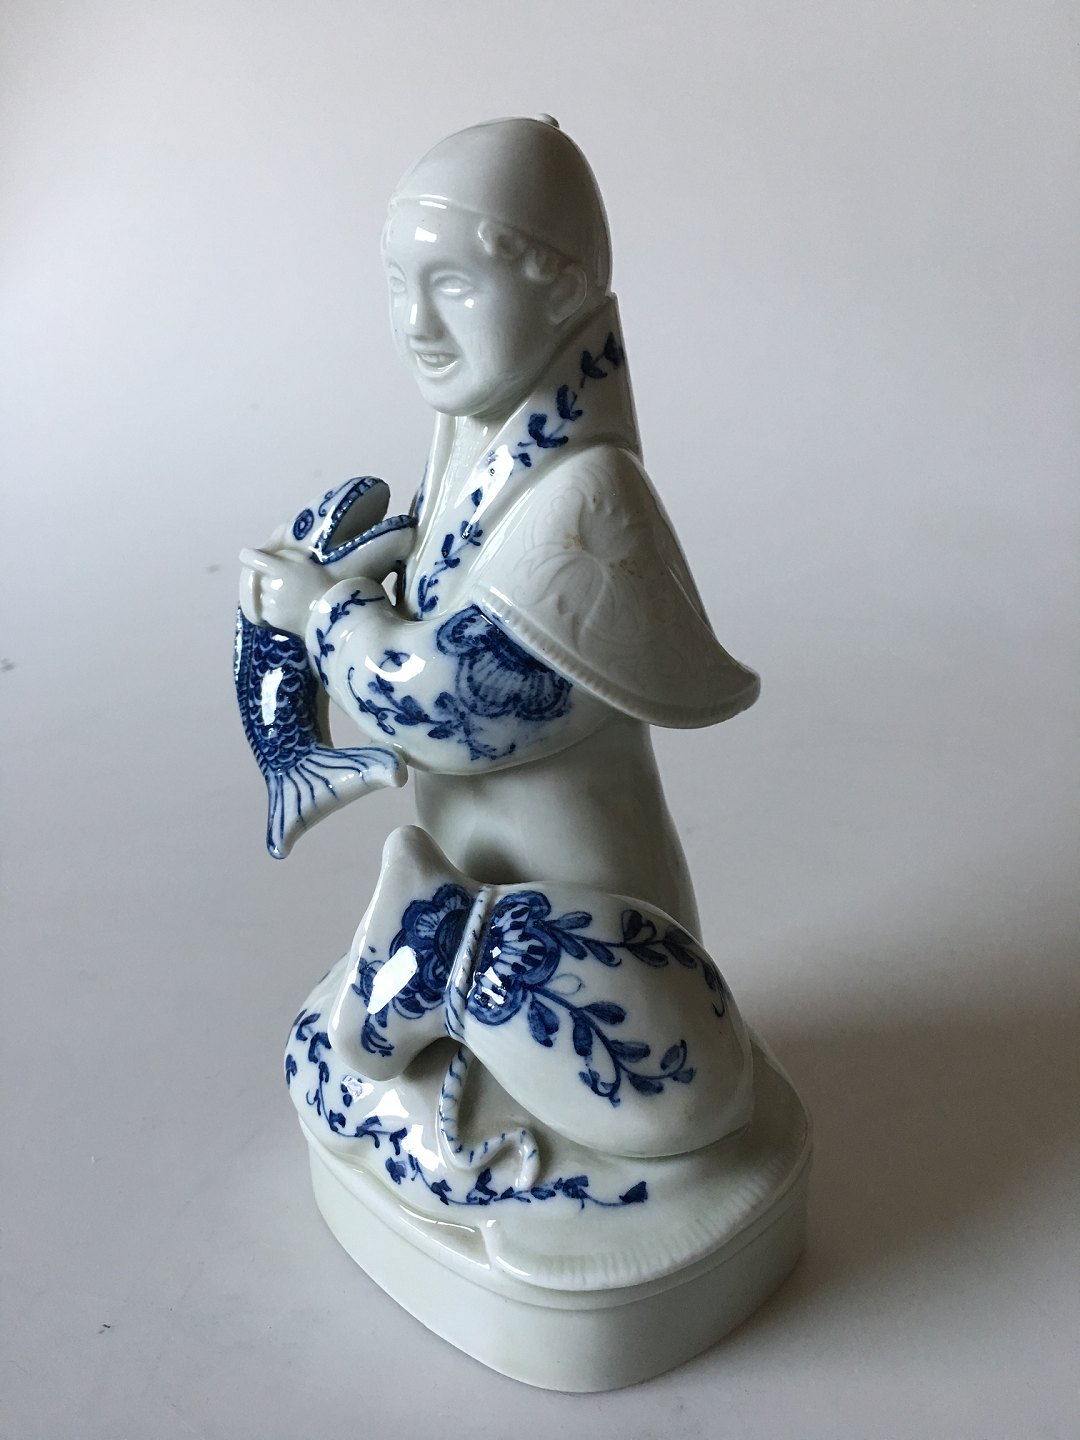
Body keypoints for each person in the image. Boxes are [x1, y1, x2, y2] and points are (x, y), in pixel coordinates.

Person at [239, 116, 758, 936]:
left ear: (563, 293)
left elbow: (456, 707)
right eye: (399, 283)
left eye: (453, 284)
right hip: (472, 900)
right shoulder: (473, 456)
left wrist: (323, 611)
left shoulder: (586, 496)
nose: (417, 321)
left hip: (587, 927)